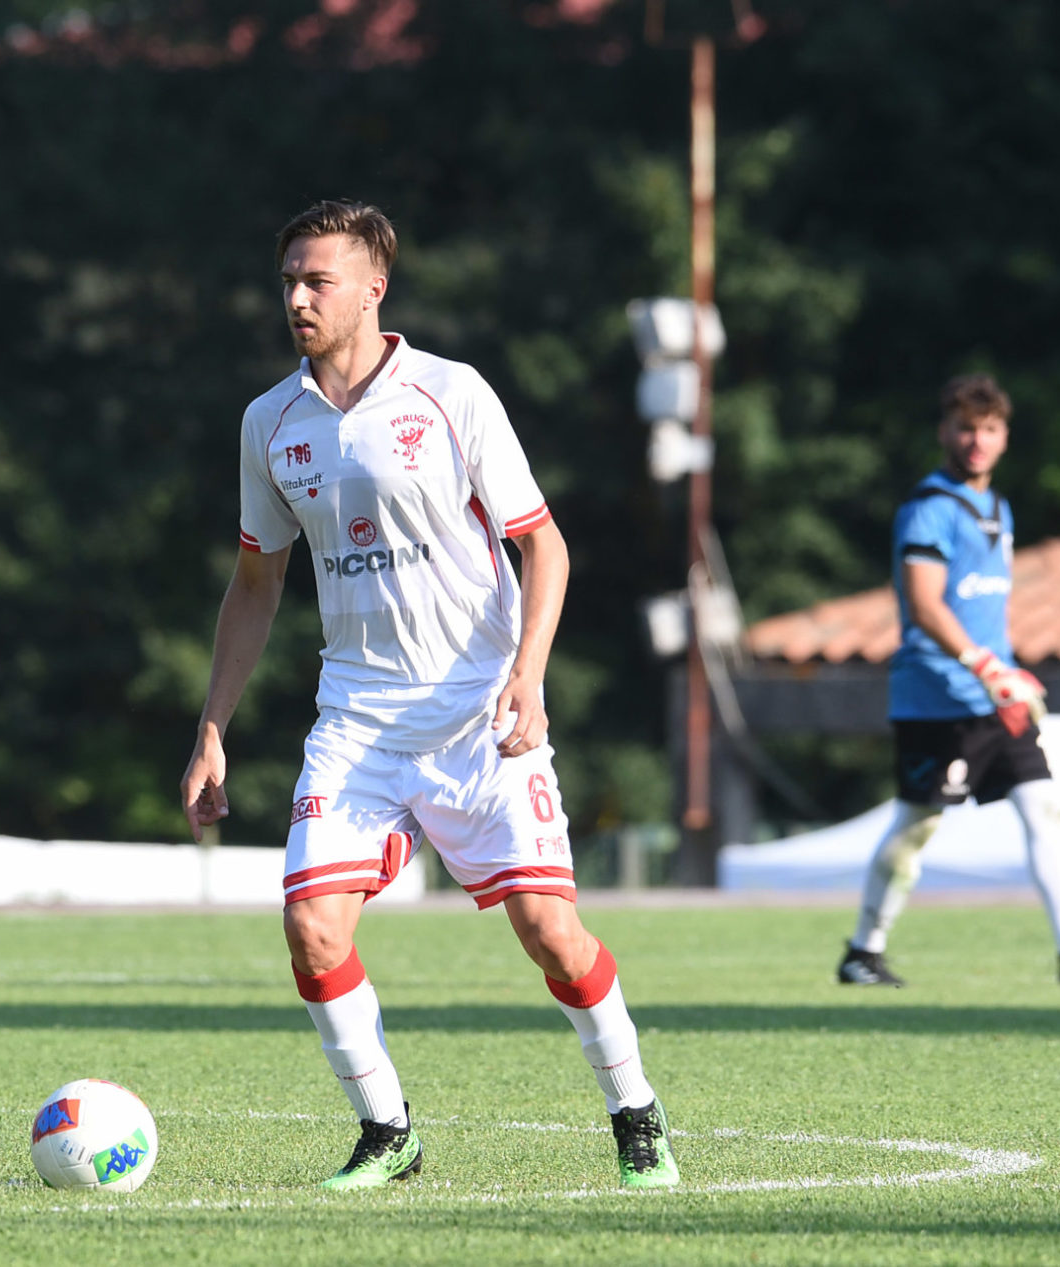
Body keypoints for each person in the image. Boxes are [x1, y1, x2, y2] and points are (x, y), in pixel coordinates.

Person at [179, 200, 677, 1191]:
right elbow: (256, 583)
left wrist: (528, 674)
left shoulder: (451, 393)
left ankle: (635, 1110)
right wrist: (212, 727)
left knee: (551, 934)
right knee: (312, 929)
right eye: (288, 281)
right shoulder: (270, 422)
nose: (297, 298)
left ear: (373, 288)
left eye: (317, 280)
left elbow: (544, 546)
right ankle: (387, 1132)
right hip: (358, 719)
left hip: (478, 714)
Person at [837, 373, 1060, 988]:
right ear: (944, 432)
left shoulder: (999, 508)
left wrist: (1006, 671)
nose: (977, 441)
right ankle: (862, 953)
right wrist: (985, 665)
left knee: (1045, 808)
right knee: (917, 826)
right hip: (938, 699)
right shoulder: (930, 508)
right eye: (965, 428)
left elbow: (982, 606)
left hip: (998, 698)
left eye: (989, 429)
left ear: (1005, 436)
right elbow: (925, 604)